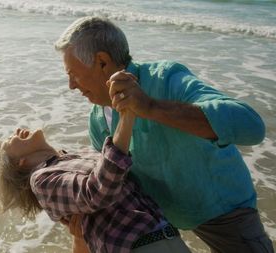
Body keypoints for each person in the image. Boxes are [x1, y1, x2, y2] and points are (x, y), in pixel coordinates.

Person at [54, 16, 274, 253]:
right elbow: (114, 184)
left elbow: (251, 127)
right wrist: (85, 216)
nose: (71, 85)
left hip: (223, 210)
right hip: (161, 219)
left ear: (102, 62)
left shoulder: (166, 78)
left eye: (73, 74)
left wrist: (151, 107)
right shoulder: (97, 121)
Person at [0, 110, 191, 252]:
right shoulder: (41, 180)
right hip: (140, 245)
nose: (16, 132)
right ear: (19, 162)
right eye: (9, 142)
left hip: (166, 237)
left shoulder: (78, 155)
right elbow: (97, 191)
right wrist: (126, 117)